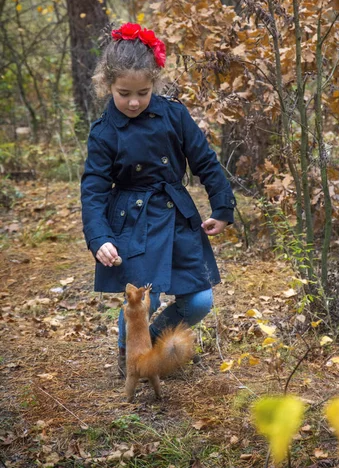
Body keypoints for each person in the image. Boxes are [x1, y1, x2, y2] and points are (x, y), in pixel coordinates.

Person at [81, 22, 236, 378]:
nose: (133, 101)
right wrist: (99, 237)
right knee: (139, 304)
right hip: (130, 224)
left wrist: (223, 206)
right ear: (108, 85)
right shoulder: (104, 132)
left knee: (199, 299)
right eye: (124, 93)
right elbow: (93, 189)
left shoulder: (174, 114)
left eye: (143, 92)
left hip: (176, 215)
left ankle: (147, 348)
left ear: (155, 84)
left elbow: (205, 161)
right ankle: (131, 364)